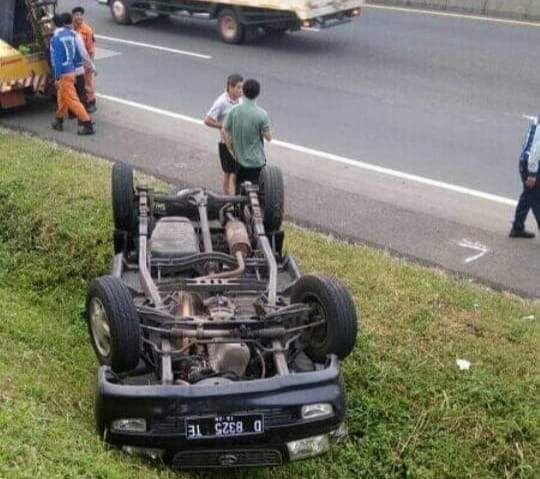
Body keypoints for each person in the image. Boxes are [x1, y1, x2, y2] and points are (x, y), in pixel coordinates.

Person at [223, 79, 272, 193]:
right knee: (257, 193)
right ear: (258, 93)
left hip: (239, 160)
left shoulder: (234, 111)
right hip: (256, 162)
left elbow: (224, 130)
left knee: (239, 192)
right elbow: (268, 137)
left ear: (243, 93)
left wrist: (231, 149)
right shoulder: (262, 114)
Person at [50, 13, 94, 135]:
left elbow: (57, 60)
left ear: (55, 24)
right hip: (72, 70)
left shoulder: (55, 38)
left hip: (63, 72)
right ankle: (58, 120)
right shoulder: (71, 34)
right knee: (62, 97)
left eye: (51, 23)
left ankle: (87, 123)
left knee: (71, 100)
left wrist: (56, 77)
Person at [204, 74, 243, 195]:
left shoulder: (240, 100)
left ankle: (237, 198)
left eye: (242, 88)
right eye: (238, 88)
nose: (241, 91)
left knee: (238, 173)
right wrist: (223, 126)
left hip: (239, 142)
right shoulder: (221, 102)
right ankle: (227, 200)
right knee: (228, 173)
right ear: (230, 87)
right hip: (226, 144)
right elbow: (207, 120)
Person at [509, 115, 540, 238]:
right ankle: (517, 227)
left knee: (527, 197)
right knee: (536, 199)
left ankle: (517, 227)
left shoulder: (536, 121)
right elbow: (536, 151)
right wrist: (532, 174)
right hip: (531, 165)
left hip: (525, 163)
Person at [72, 6, 97, 112]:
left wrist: (89, 63)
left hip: (84, 60)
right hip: (74, 61)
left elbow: (91, 49)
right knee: (76, 83)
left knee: (87, 83)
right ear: (72, 17)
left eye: (80, 15)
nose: (79, 17)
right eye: (76, 15)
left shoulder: (87, 30)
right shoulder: (70, 29)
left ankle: (91, 102)